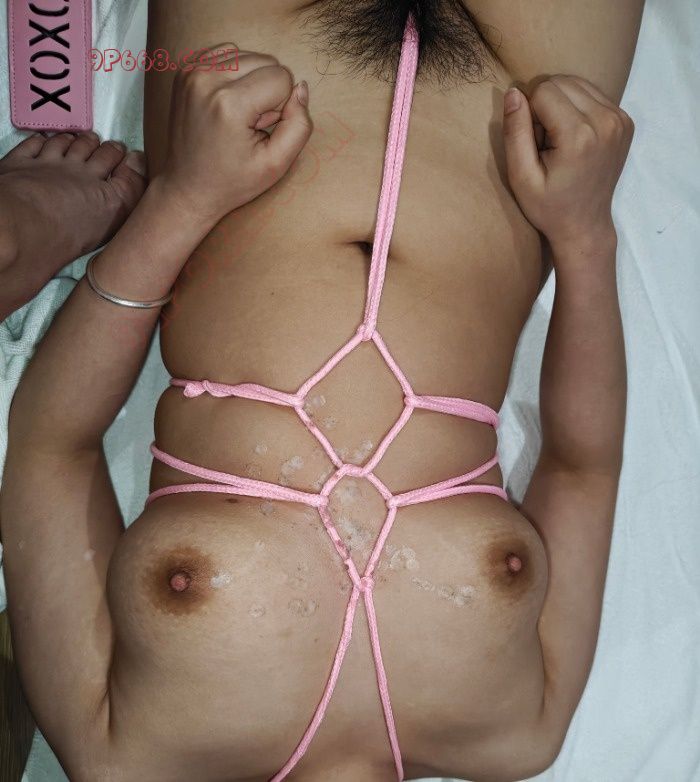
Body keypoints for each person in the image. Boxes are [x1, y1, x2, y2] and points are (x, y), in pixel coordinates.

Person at [1, 2, 643, 780]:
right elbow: (583, 468)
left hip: (256, 129)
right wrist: (585, 237)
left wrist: (181, 203)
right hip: (509, 125)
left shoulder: (123, 754)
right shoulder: (521, 732)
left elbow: (49, 447)